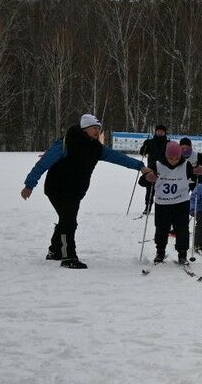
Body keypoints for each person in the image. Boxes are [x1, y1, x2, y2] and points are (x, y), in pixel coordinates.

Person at [22, 114, 151, 268]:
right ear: (85, 129)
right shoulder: (66, 144)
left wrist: (140, 166)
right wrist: (29, 184)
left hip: (75, 191)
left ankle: (55, 251)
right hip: (57, 188)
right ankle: (68, 257)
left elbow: (118, 157)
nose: (97, 131)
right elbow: (43, 164)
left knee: (68, 220)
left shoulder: (96, 149)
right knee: (68, 221)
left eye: (99, 128)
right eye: (94, 128)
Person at [143, 141, 202, 264]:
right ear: (166, 155)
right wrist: (147, 177)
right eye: (170, 158)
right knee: (161, 229)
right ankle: (160, 252)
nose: (174, 161)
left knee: (182, 229)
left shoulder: (186, 165)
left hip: (181, 202)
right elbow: (143, 181)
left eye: (177, 158)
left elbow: (197, 176)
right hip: (162, 203)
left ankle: (182, 254)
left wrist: (199, 170)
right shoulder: (157, 164)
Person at [139, 124, 169, 214]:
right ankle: (147, 206)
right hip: (151, 169)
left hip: (164, 169)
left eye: (162, 131)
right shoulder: (149, 142)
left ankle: (163, 208)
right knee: (150, 189)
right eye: (158, 131)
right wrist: (144, 147)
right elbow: (142, 153)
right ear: (155, 132)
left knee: (163, 189)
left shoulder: (168, 143)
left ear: (164, 132)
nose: (160, 133)